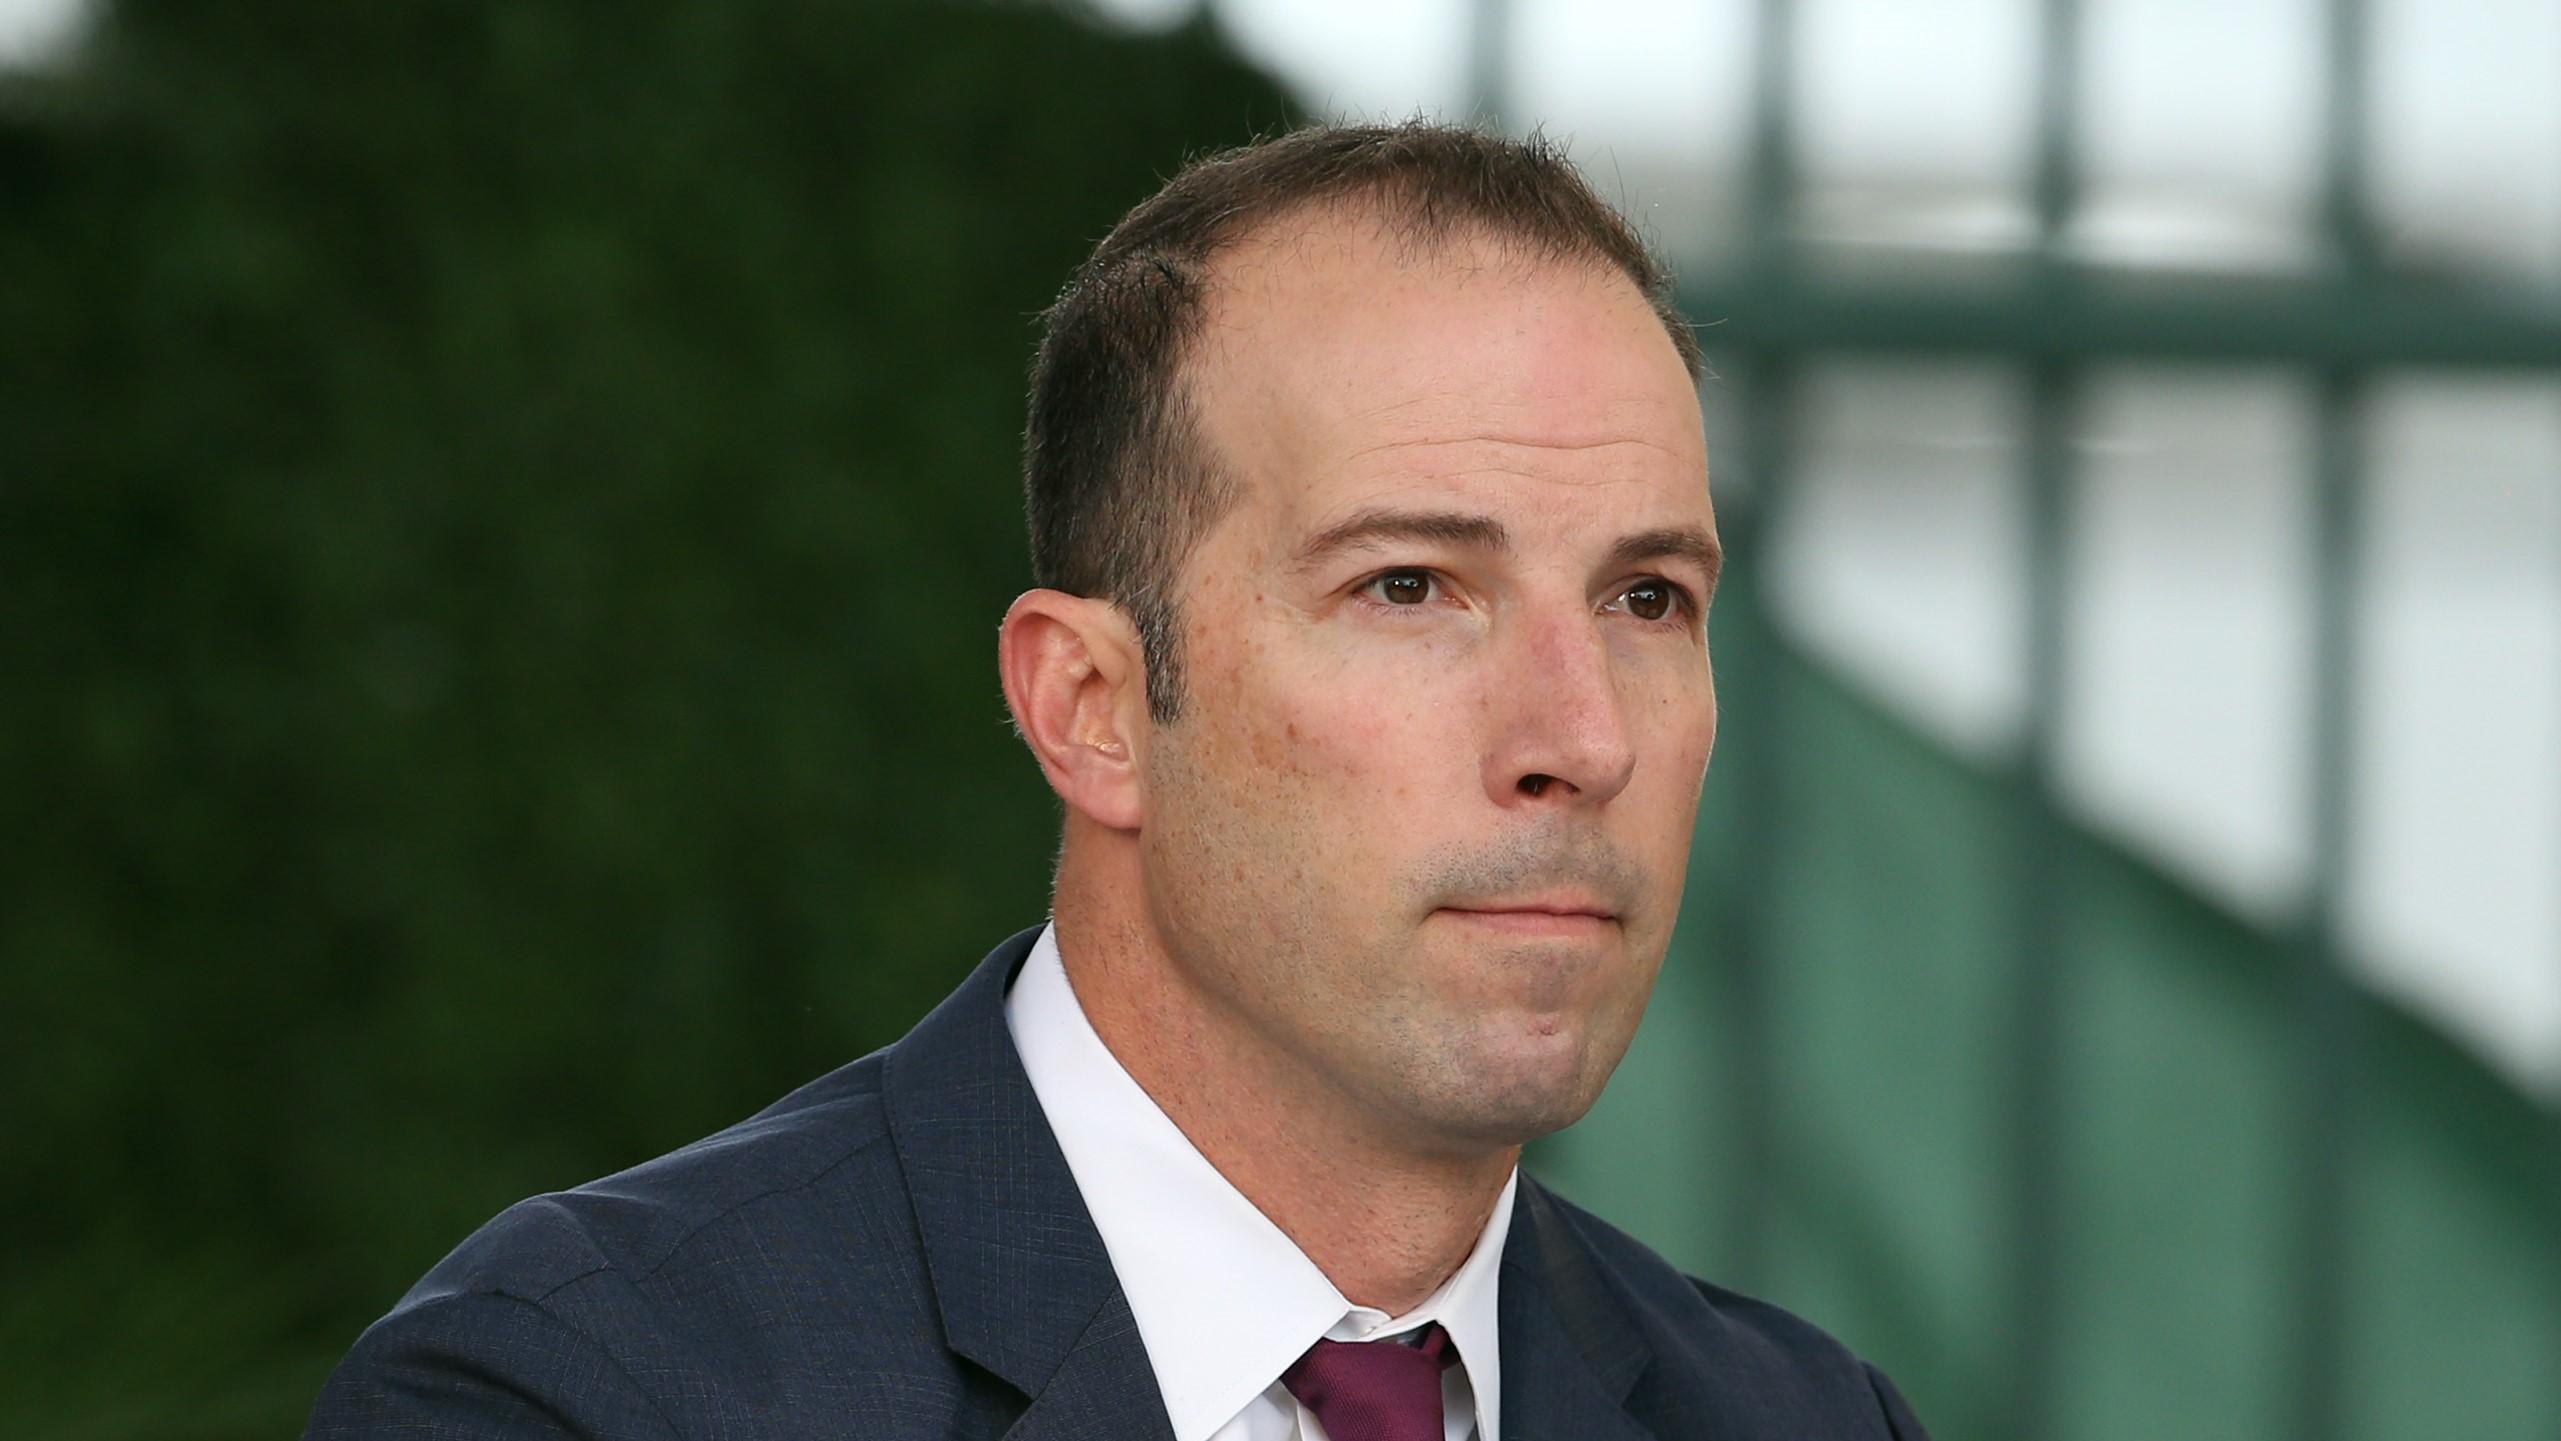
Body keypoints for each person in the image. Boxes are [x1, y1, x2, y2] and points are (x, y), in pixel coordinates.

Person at [305, 122, 1931, 1441]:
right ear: (1089, 705)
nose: (1583, 739)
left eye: (1648, 598)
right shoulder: (592, 1394)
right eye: (1409, 586)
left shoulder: (1799, 1416)